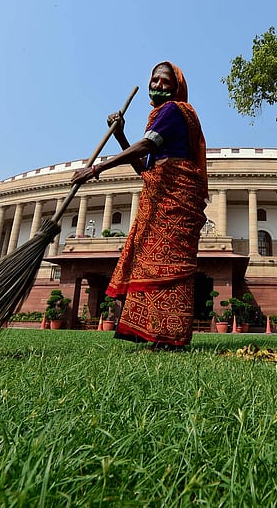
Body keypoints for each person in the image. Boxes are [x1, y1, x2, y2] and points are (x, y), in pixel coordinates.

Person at [71, 61, 207, 351]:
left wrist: (95, 170)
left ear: (177, 87)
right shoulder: (159, 116)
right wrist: (120, 134)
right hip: (159, 198)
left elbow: (146, 146)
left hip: (176, 199)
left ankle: (170, 336)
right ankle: (154, 333)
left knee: (170, 266)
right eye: (154, 81)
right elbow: (143, 168)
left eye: (165, 82)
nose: (158, 86)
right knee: (153, 265)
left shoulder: (174, 111)